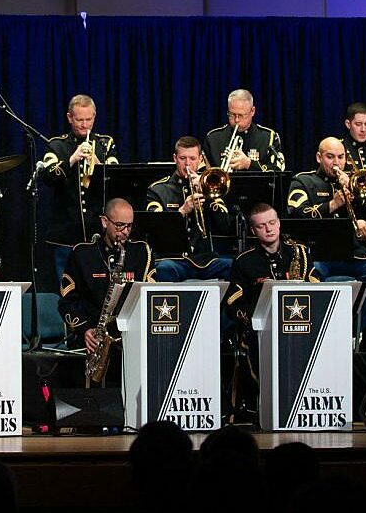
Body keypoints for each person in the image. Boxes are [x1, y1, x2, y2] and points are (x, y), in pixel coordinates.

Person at [287, 137, 366, 350]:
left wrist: (359, 199)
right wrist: (333, 204)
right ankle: (318, 331)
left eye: (341, 157)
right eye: (330, 157)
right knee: (312, 273)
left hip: (351, 253)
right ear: (319, 157)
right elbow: (297, 216)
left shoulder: (353, 180)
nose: (336, 163)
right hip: (319, 254)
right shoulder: (303, 181)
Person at [223, 203, 317, 420]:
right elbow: (233, 302)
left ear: (279, 223)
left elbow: (315, 285)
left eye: (272, 223)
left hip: (301, 324)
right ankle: (271, 401)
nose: (268, 229)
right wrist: (253, 319)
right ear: (253, 231)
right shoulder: (244, 261)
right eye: (261, 226)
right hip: (261, 330)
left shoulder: (300, 253)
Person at [58, 198, 154, 361]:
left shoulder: (141, 253)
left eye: (129, 226)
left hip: (130, 341)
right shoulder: (82, 254)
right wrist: (85, 330)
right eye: (120, 225)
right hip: (92, 342)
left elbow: (150, 297)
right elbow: (66, 303)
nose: (125, 232)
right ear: (104, 222)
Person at [41, 94, 120, 284]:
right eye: (79, 120)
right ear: (70, 118)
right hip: (66, 234)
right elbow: (48, 177)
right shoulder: (56, 145)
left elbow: (116, 180)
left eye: (89, 119)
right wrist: (72, 159)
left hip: (97, 234)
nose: (85, 125)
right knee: (66, 289)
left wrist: (97, 164)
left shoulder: (105, 143)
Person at [144, 136, 233, 282]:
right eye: (182, 158)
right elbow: (156, 230)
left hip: (205, 261)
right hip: (174, 259)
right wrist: (182, 211)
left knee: (234, 266)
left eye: (192, 158)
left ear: (200, 159)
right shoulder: (158, 190)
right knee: (164, 269)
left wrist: (207, 195)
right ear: (175, 158)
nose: (188, 164)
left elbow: (225, 225)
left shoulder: (210, 186)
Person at [203, 89, 284, 172]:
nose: (236, 120)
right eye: (232, 115)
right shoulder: (213, 138)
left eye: (241, 115)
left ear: (252, 111)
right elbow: (202, 171)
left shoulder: (268, 137)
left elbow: (278, 170)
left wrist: (249, 164)